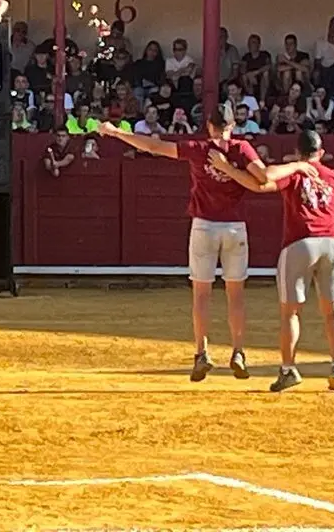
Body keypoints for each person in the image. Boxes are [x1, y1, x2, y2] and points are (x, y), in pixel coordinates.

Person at [99, 104, 311, 382]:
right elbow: (262, 177)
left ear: (209, 127)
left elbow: (154, 146)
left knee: (201, 295)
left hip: (204, 226)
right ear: (233, 126)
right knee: (235, 296)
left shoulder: (199, 149)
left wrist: (116, 133)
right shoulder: (241, 149)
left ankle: (201, 352)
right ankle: (237, 351)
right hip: (234, 228)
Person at [208, 129, 334, 393]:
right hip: (332, 245)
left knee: (290, 312)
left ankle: (288, 369)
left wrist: (228, 169)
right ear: (322, 153)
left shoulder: (293, 172)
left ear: (297, 152)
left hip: (299, 243)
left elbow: (261, 182)